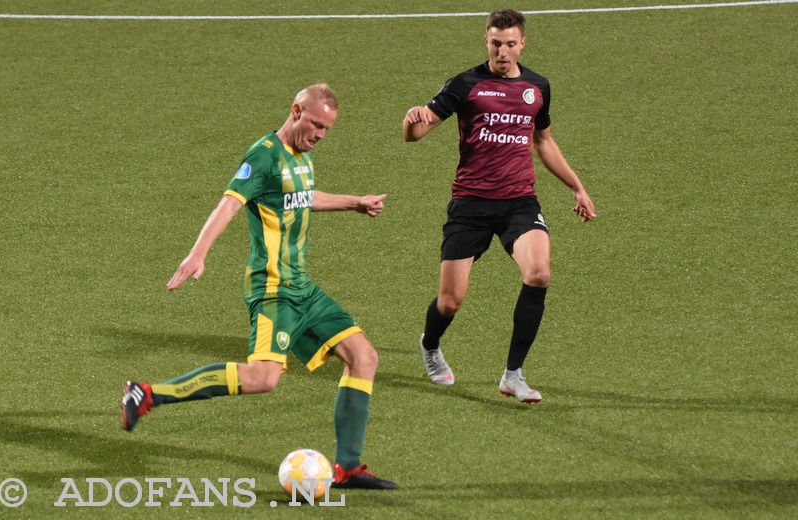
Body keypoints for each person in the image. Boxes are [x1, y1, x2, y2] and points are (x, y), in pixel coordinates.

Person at [122, 83, 397, 490]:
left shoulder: (302, 156)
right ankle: (147, 394)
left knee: (364, 358)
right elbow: (229, 203)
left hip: (303, 287)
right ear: (296, 110)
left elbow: (302, 196)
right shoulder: (264, 154)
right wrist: (199, 253)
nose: (321, 134)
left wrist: (354, 202)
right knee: (263, 378)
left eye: (328, 128)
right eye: (317, 124)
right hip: (272, 290)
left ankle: (348, 467)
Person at [402, 10, 596, 403]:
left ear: (522, 43)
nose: (502, 51)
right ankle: (430, 344)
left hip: (519, 202)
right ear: (486, 41)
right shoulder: (466, 84)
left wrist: (577, 187)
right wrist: (411, 121)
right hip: (471, 204)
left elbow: (543, 141)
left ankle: (513, 374)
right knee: (450, 301)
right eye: (496, 43)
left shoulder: (537, 87)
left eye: (510, 43)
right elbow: (417, 133)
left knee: (539, 274)